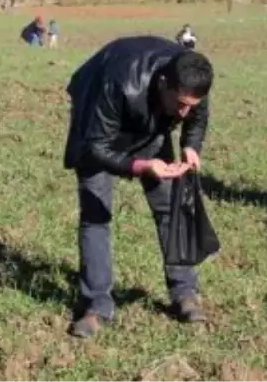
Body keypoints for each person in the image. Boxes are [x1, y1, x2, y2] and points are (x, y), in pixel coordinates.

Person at [62, 36, 214, 338]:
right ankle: (96, 304)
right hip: (97, 124)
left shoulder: (193, 78)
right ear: (162, 84)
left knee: (169, 206)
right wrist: (140, 166)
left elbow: (197, 115)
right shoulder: (116, 83)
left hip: (149, 125)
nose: (184, 113)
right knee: (96, 215)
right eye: (180, 105)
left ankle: (184, 293)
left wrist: (190, 146)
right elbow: (96, 146)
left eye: (190, 106)